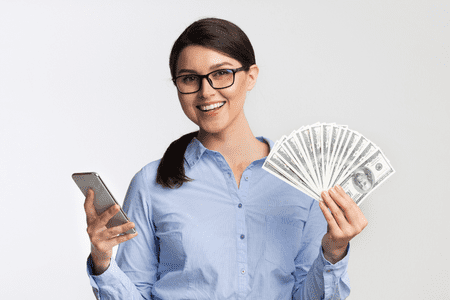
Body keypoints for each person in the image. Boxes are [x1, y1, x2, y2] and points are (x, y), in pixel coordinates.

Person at [84, 17, 368, 299]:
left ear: (251, 76)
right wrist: (102, 261)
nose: (206, 91)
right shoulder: (150, 184)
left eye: (221, 73)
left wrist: (334, 251)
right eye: (189, 79)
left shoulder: (301, 181)